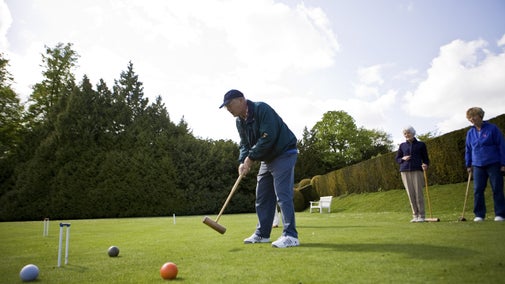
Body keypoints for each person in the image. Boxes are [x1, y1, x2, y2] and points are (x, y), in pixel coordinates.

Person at [219, 89, 299, 248]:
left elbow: (268, 136)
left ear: (241, 100)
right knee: (262, 196)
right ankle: (263, 234)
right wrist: (242, 161)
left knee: (282, 195)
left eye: (230, 104)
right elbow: (244, 144)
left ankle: (291, 236)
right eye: (226, 106)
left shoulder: (262, 109)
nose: (228, 109)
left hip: (284, 152)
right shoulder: (239, 121)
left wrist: (250, 158)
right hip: (267, 158)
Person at [465, 107, 505, 222]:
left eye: (474, 116)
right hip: (477, 165)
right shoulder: (470, 132)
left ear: (480, 116)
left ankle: (500, 214)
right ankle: (479, 215)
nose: (472, 119)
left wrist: (503, 163)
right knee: (478, 190)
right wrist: (468, 164)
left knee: (497, 188)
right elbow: (468, 149)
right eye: (469, 117)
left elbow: (501, 146)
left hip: (493, 163)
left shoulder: (492, 129)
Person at [395, 126, 430, 222]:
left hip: (417, 170)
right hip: (404, 171)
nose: (406, 135)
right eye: (405, 133)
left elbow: (426, 158)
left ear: (413, 133)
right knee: (410, 194)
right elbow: (397, 159)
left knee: (418, 193)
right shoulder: (402, 145)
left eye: (408, 133)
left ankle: (421, 216)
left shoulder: (421, 144)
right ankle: (415, 215)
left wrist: (425, 164)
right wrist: (403, 158)